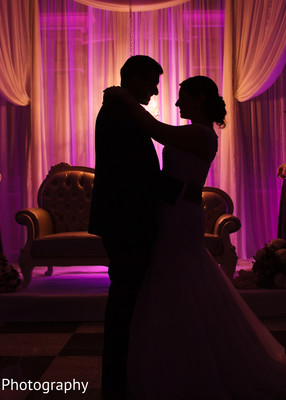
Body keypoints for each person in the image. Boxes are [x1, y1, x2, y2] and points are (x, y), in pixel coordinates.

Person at [104, 76, 286, 399]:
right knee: (179, 282)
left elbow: (154, 129)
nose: (177, 104)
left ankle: (192, 366)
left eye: (183, 98)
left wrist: (125, 97)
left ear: (200, 100)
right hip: (173, 215)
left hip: (181, 218)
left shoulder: (200, 134)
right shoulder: (195, 132)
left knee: (182, 281)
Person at [88, 55, 167, 398]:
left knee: (127, 300)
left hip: (126, 219)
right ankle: (117, 379)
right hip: (127, 221)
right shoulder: (120, 112)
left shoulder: (121, 107)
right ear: (133, 80)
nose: (155, 89)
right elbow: (135, 173)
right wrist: (182, 192)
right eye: (151, 81)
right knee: (124, 301)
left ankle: (123, 374)